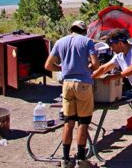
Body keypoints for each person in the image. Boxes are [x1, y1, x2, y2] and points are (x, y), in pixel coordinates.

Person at [44, 20, 99, 168]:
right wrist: (87, 67)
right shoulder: (87, 42)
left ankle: (66, 159)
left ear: (71, 29)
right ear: (84, 30)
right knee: (83, 122)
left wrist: (63, 67)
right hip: (83, 84)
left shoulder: (60, 42)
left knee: (68, 122)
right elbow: (95, 64)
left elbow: (48, 65)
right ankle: (81, 160)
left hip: (66, 85)